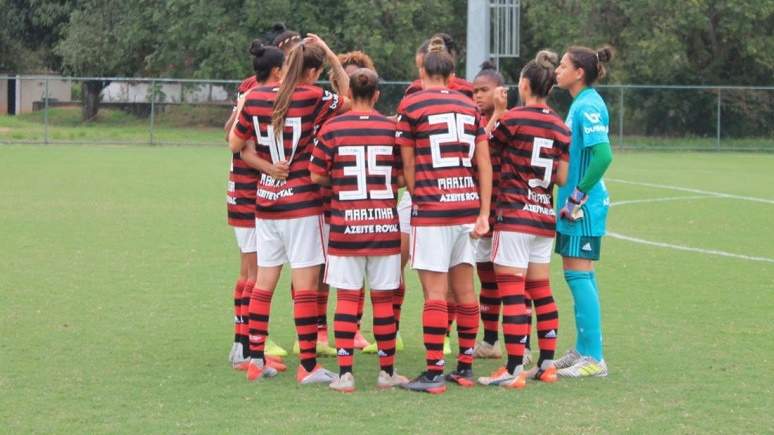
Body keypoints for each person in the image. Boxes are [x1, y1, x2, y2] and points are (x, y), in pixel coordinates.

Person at [228, 34, 351, 384]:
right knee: (306, 285)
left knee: (264, 282)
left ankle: (255, 359)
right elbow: (349, 97)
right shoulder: (313, 96)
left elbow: (236, 144)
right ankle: (308, 366)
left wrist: (267, 167)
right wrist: (333, 57)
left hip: (266, 201)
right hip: (302, 204)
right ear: (311, 70)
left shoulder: (254, 96)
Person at [396, 37, 492, 394]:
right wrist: (483, 211)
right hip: (465, 207)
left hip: (432, 209)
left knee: (435, 294)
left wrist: (417, 191)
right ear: (453, 75)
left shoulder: (412, 103)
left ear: (422, 71)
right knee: (466, 292)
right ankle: (464, 367)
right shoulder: (470, 109)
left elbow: (406, 160)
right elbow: (483, 163)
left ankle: (434, 372)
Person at [310, 68, 409, 392]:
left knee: (346, 300)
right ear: (378, 95)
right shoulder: (390, 128)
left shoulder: (333, 126)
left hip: (345, 227)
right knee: (383, 301)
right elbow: (405, 176)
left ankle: (345, 375)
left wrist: (340, 182)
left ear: (349, 94)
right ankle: (386, 373)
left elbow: (315, 174)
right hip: (384, 228)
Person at [477, 50, 570, 388]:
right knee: (541, 290)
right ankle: (546, 364)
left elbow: (482, 147)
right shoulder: (560, 126)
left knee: (512, 291)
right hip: (543, 217)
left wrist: (499, 114)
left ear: (526, 85)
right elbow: (561, 177)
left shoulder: (513, 120)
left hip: (514, 215)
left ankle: (514, 367)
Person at [223, 40, 288, 369]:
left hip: (243, 190)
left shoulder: (249, 93)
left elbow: (228, 131)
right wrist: (271, 169)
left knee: (252, 270)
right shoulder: (258, 96)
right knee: (253, 272)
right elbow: (235, 142)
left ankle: (246, 345)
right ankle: (244, 346)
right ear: (277, 71)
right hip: (249, 190)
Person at [551, 45, 614, 378]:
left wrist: (576, 198)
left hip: (582, 209)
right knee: (578, 275)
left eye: (563, 65)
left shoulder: (589, 105)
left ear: (579, 73)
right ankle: (583, 348)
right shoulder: (580, 103)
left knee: (578, 276)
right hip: (572, 207)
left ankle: (595, 357)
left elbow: (604, 156)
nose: (558, 70)